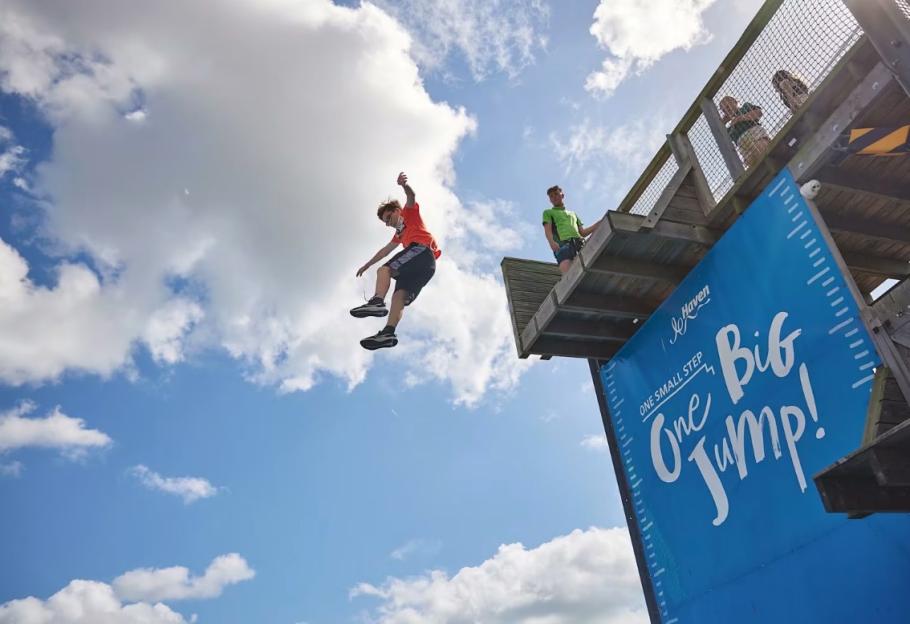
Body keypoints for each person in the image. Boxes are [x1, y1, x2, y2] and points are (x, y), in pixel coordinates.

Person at [350, 172, 440, 350]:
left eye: (389, 218)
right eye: (385, 222)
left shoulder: (408, 213)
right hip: (424, 268)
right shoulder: (398, 235)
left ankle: (377, 302)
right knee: (399, 296)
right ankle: (388, 332)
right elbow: (385, 251)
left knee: (384, 270)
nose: (388, 223)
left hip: (421, 252)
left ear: (397, 211)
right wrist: (367, 264)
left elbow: (411, 196)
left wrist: (403, 186)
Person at [542, 185, 601, 273]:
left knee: (589, 269)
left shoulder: (573, 214)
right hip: (562, 245)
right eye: (551, 196)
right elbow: (548, 230)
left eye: (556, 194)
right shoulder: (548, 212)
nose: (554, 197)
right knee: (569, 274)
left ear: (562, 195)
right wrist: (551, 242)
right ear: (550, 200)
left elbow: (583, 232)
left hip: (579, 243)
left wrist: (598, 224)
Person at [719, 95, 771, 169]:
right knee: (750, 162)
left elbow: (758, 113)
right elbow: (723, 140)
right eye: (724, 110)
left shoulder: (745, 108)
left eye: (728, 107)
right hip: (745, 149)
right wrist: (722, 124)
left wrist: (740, 118)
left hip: (756, 137)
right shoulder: (730, 128)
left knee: (760, 147)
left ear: (735, 102)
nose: (727, 110)